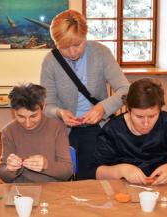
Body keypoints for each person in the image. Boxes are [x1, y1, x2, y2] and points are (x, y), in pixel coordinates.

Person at [40, 9, 130, 180]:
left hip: (97, 128)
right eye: (65, 47)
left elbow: (125, 90)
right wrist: (60, 113)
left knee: (92, 178)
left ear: (85, 36)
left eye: (78, 44)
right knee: (66, 178)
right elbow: (47, 106)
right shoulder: (50, 62)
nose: (73, 52)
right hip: (64, 131)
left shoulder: (101, 53)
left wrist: (103, 108)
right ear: (55, 43)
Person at [95, 78, 167, 185]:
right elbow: (97, 172)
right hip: (122, 189)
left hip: (160, 188)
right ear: (129, 109)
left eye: (152, 116)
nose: (146, 123)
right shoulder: (112, 130)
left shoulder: (165, 122)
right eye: (139, 116)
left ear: (160, 109)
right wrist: (122, 170)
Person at [0, 83, 73, 183]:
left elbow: (67, 172)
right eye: (21, 117)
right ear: (13, 111)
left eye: (33, 116)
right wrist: (10, 169)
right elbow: (4, 175)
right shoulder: (8, 131)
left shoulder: (57, 128)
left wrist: (46, 165)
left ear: (43, 106)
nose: (28, 124)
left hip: (53, 188)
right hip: (22, 191)